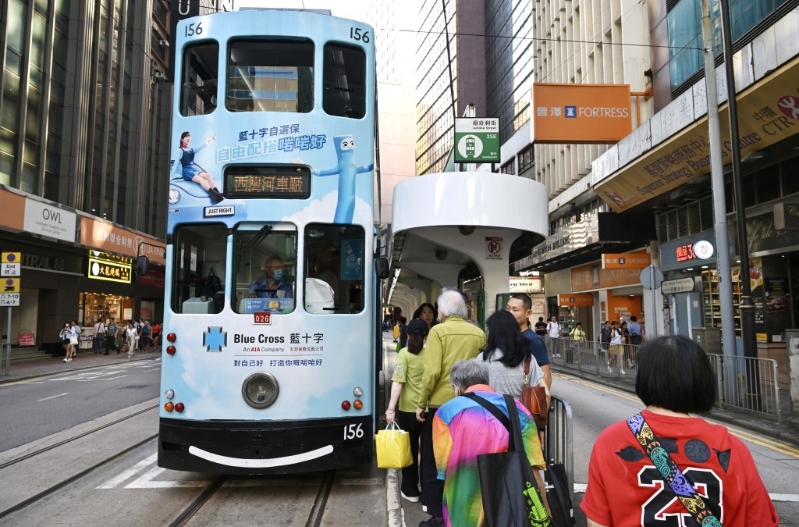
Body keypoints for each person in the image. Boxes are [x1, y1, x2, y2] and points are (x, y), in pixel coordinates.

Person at [581, 335, 779, 526]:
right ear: (702, 381)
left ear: (645, 379)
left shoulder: (612, 441)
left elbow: (597, 522)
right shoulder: (731, 448)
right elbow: (759, 519)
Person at [432, 360, 549, 527]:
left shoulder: (445, 413)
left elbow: (443, 468)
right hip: (509, 505)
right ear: (487, 381)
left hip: (464, 509)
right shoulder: (518, 409)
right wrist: (546, 512)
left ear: (456, 388)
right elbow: (534, 467)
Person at [416, 290, 486, 527]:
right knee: (465, 460)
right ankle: (464, 511)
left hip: (441, 406)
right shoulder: (478, 333)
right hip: (471, 404)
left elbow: (432, 372)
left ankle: (437, 513)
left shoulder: (438, 332)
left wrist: (421, 403)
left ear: (442, 311)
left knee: (435, 459)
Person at [385, 318, 428, 504]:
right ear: (427, 335)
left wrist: (391, 408)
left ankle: (411, 490)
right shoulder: (433, 353)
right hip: (429, 409)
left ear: (408, 335)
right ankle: (428, 493)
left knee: (409, 449)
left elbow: (398, 381)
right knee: (428, 452)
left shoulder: (405, 353)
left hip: (409, 410)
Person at [476, 310, 547, 401]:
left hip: (490, 408)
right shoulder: (528, 358)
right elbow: (546, 393)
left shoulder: (483, 358)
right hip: (520, 409)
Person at [507, 293, 551, 389]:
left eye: (515, 310)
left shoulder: (534, 341)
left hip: (523, 396)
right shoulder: (506, 336)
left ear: (528, 313)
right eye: (508, 309)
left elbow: (546, 376)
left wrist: (542, 397)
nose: (509, 313)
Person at [172, 131, 224, 202]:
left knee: (208, 176)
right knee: (200, 179)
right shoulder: (179, 150)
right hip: (187, 172)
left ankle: (218, 193)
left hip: (194, 169)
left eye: (189, 137)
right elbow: (175, 164)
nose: (188, 138)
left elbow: (201, 147)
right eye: (186, 137)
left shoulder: (191, 150)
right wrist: (170, 176)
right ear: (182, 140)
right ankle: (214, 195)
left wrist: (210, 140)